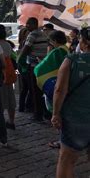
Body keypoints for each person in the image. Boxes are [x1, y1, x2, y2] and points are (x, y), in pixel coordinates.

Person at [51, 27, 90, 178]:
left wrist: (55, 114)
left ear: (85, 43)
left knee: (66, 160)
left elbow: (59, 90)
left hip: (75, 118)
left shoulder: (71, 60)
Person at [34, 30, 69, 149]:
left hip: (57, 86)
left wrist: (40, 64)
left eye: (50, 40)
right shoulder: (66, 49)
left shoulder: (57, 52)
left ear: (54, 41)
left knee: (57, 112)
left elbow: (44, 67)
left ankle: (63, 140)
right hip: (65, 85)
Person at [17, 17, 49, 121]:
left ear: (34, 24)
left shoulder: (32, 35)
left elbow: (26, 49)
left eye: (28, 24)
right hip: (43, 66)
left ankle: (37, 115)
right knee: (42, 90)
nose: (27, 26)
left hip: (34, 66)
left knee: (35, 91)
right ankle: (45, 112)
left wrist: (19, 59)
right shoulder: (44, 34)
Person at [0, 24, 17, 130]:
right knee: (10, 98)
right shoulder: (8, 44)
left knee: (0, 100)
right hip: (9, 73)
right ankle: (11, 121)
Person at [17, 26, 32, 112]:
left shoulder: (22, 43)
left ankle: (22, 107)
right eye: (27, 33)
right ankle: (28, 106)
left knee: (25, 87)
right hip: (24, 67)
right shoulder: (25, 43)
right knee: (29, 87)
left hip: (23, 66)